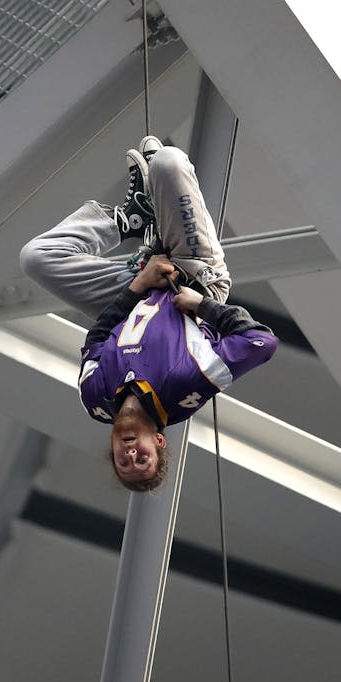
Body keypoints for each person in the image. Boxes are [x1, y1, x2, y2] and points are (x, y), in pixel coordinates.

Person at [20, 136, 278, 491]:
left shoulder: (94, 400)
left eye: (123, 463)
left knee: (37, 258)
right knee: (167, 162)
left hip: (133, 294)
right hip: (191, 275)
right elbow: (260, 341)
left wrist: (137, 287)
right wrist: (201, 303)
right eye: (143, 460)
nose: (130, 456)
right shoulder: (187, 388)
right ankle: (154, 207)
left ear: (112, 450)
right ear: (158, 442)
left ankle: (129, 220)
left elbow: (97, 336)